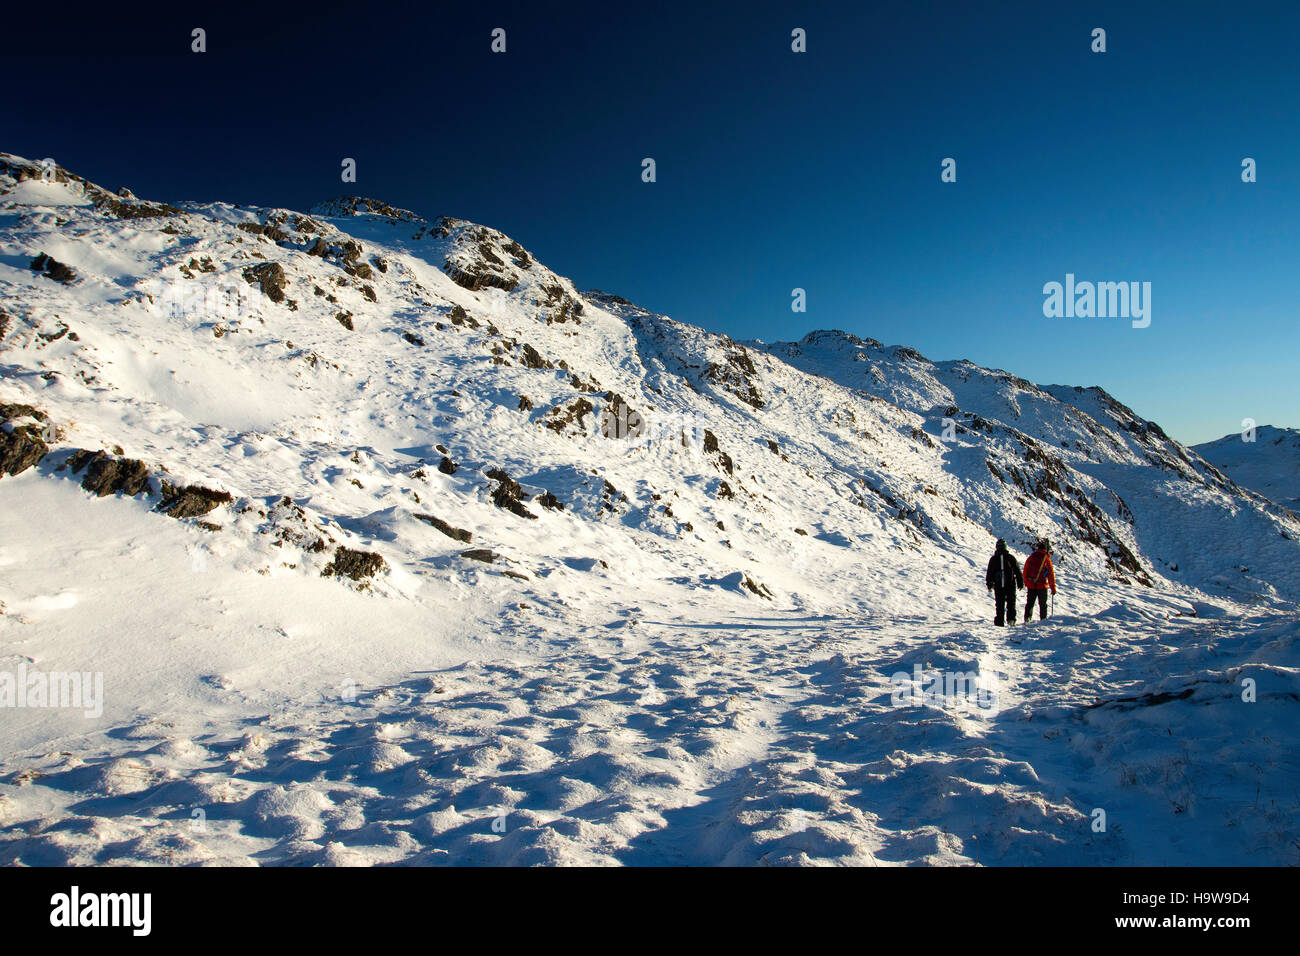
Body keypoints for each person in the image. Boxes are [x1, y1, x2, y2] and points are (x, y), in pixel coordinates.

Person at [985, 538, 1023, 626]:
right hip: (1010, 584)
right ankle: (1011, 620)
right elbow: (1017, 570)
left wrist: (989, 584)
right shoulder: (1010, 558)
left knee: (999, 604)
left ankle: (999, 622)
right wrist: (1020, 582)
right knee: (1011, 603)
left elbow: (990, 572)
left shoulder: (994, 559)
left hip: (998, 585)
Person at [1022, 539, 1056, 622]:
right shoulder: (1046, 559)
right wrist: (1053, 588)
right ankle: (1043, 620)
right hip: (1042, 585)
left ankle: (1027, 619)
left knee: (1030, 603)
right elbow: (1051, 574)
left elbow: (1025, 570)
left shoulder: (1031, 557)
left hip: (1031, 584)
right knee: (1043, 604)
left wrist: (1026, 582)